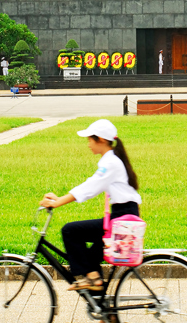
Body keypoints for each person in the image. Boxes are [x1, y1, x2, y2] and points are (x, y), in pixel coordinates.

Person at [39, 119, 141, 297]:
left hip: (121, 218)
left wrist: (58, 202)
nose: (88, 144)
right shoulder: (112, 160)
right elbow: (90, 186)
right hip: (122, 216)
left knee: (70, 231)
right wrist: (60, 198)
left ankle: (91, 279)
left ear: (100, 139)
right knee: (90, 260)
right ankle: (106, 315)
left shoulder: (110, 163)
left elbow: (90, 187)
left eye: (89, 140)